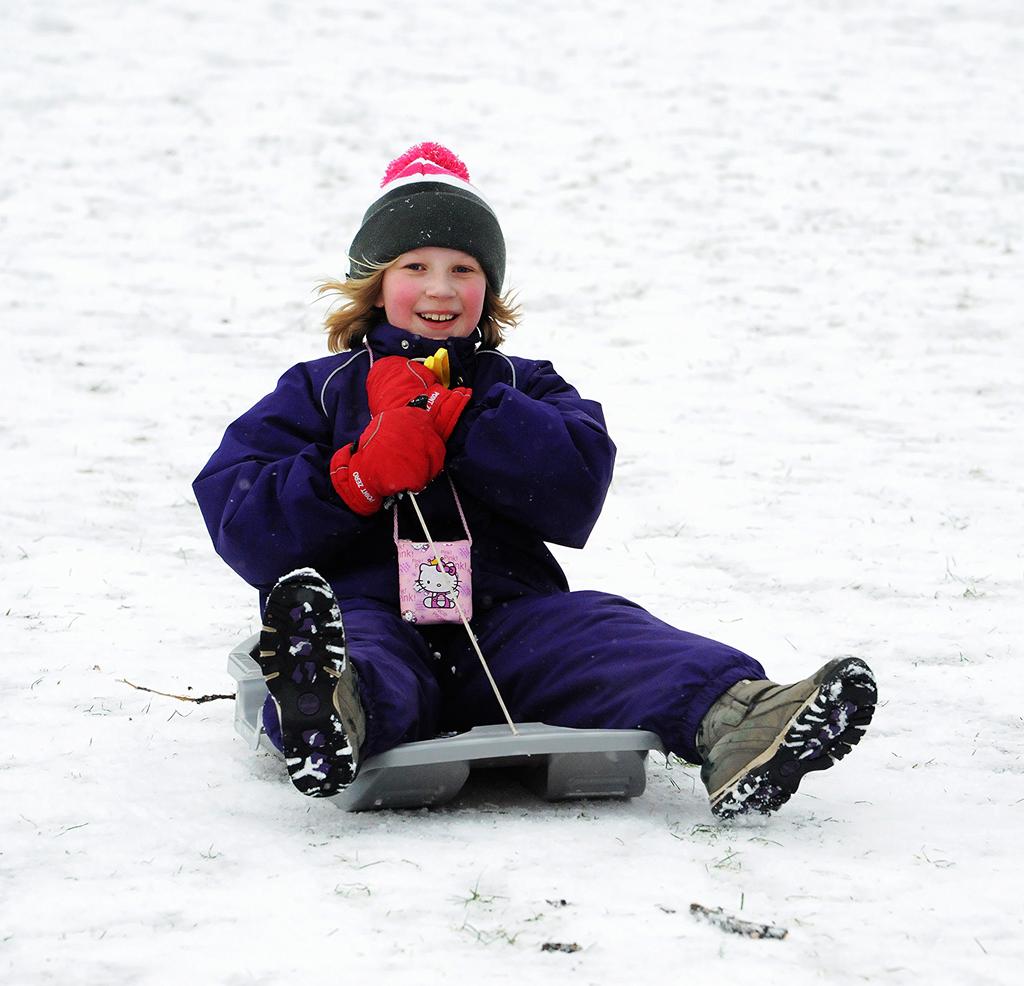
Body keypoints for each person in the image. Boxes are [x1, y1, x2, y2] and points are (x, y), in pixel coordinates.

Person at [194, 143, 877, 818]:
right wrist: (355, 477)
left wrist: (468, 420)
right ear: (374, 283)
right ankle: (329, 706)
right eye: (415, 266)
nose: (440, 288)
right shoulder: (318, 390)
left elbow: (575, 490)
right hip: (374, 617)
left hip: (507, 625)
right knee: (366, 654)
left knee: (603, 629)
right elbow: (243, 522)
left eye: (463, 267)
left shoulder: (522, 384)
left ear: (488, 287)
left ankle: (739, 721)